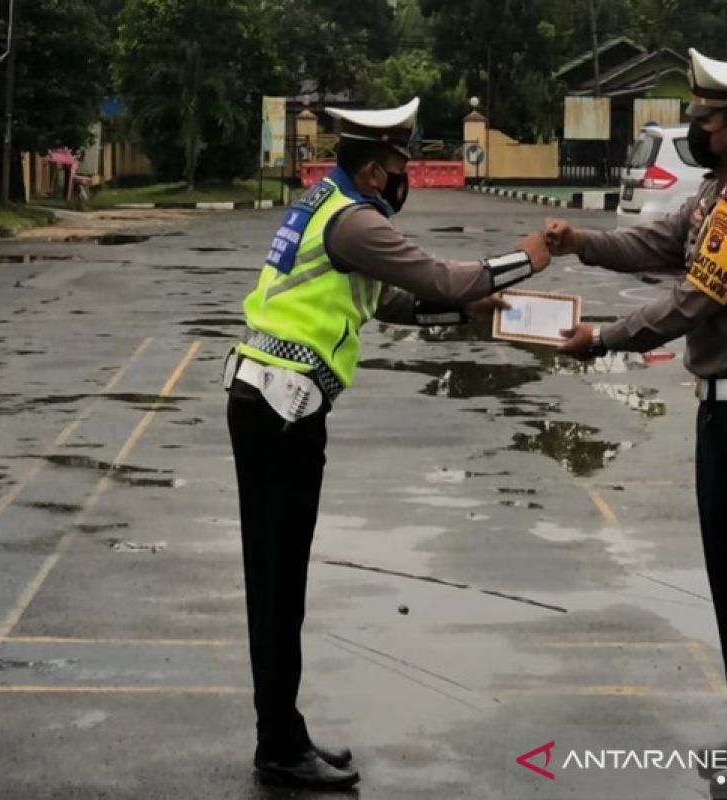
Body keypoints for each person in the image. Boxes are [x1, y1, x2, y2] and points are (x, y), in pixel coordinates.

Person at [227, 96, 551, 789]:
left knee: (281, 582)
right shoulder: (353, 221)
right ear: (377, 172)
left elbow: (396, 300)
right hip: (279, 413)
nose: (404, 179)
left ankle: (282, 731)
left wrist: (461, 308)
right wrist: (524, 260)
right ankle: (278, 745)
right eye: (400, 167)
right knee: (278, 585)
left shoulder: (329, 205)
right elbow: (433, 275)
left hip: (274, 405)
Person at [549, 49, 727, 798]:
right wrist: (582, 244)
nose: (694, 125)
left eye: (704, 117)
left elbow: (689, 303)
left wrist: (600, 338)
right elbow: (653, 244)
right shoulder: (715, 192)